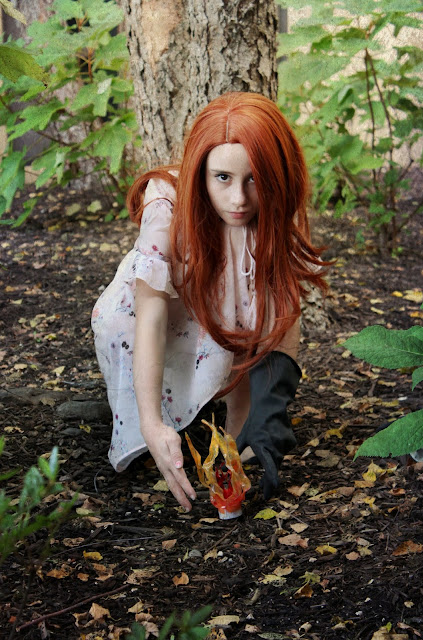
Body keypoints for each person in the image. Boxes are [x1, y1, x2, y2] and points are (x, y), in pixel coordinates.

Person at [92, 92, 328, 512]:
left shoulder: (268, 204)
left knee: (247, 438)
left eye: (254, 179)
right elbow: (150, 316)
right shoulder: (166, 203)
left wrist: (270, 411)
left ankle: (239, 432)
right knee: (126, 331)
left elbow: (278, 300)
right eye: (222, 177)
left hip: (223, 312)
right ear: (200, 171)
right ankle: (164, 412)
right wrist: (151, 423)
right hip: (164, 314)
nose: (239, 199)